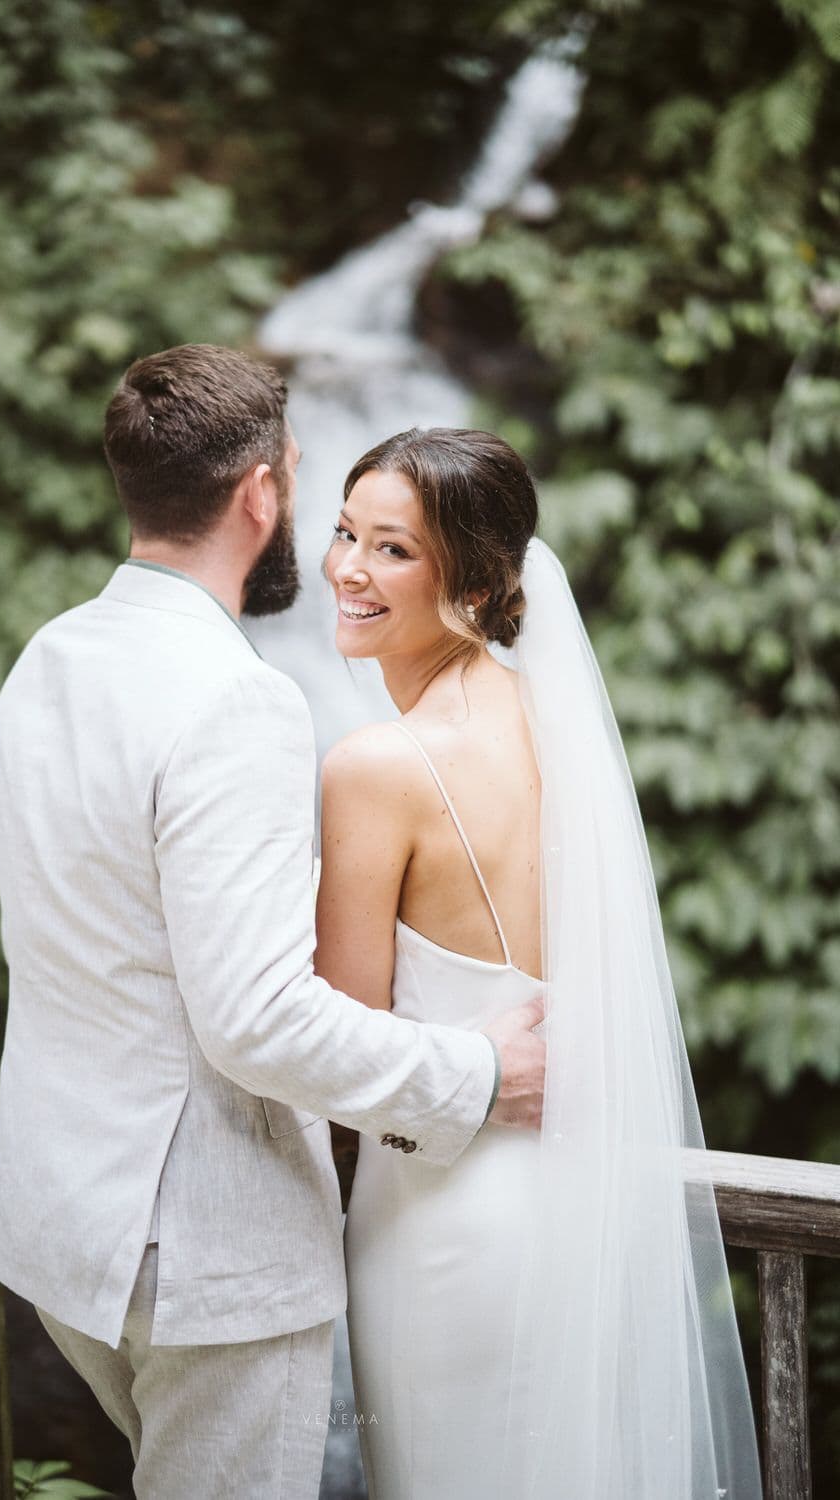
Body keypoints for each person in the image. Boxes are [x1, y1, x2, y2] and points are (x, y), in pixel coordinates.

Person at [0, 345, 547, 1499]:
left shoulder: (50, 659)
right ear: (261, 493)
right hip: (203, 1253)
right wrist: (477, 1076)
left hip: (63, 1228)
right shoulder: (238, 697)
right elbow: (254, 1019)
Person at [317, 427, 763, 1499]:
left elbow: (335, 1044)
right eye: (344, 532)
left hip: (438, 1226)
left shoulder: (375, 768)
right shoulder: (555, 721)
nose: (347, 569)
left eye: (392, 550)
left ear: (472, 577)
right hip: (575, 1208)